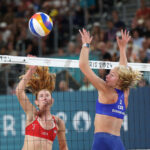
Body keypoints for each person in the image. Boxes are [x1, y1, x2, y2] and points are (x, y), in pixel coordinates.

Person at [79, 29, 142, 150]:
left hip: (101, 142)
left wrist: (86, 45)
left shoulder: (106, 89)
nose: (107, 76)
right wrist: (122, 49)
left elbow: (83, 65)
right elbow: (123, 69)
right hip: (117, 143)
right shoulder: (125, 93)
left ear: (119, 81)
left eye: (111, 75)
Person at [16, 65, 68, 150]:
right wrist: (31, 71)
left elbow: (63, 147)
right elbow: (19, 91)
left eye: (47, 95)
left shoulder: (58, 122)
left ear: (52, 100)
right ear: (36, 102)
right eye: (41, 96)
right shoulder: (32, 115)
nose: (44, 97)